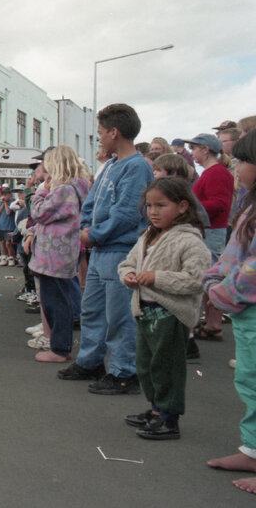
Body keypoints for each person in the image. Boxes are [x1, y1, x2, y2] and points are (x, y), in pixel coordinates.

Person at [58, 103, 154, 394]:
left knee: (119, 315)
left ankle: (125, 371)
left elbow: (126, 213)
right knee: (93, 310)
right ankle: (91, 361)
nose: (98, 137)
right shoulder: (111, 165)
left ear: (114, 132)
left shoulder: (136, 167)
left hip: (118, 251)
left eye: (100, 132)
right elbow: (91, 204)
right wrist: (86, 228)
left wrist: (93, 235)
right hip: (100, 250)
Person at [117, 177, 210, 440]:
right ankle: (157, 409)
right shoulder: (148, 236)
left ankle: (170, 418)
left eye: (161, 205)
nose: (153, 212)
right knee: (146, 364)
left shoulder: (190, 242)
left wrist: (157, 277)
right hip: (145, 312)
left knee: (166, 366)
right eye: (149, 206)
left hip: (171, 314)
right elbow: (128, 263)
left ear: (182, 207)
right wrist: (128, 275)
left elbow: (196, 279)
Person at [204, 131, 256, 492]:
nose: (235, 167)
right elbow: (233, 255)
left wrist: (220, 291)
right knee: (249, 382)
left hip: (246, 302)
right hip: (244, 310)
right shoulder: (250, 205)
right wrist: (215, 278)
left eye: (241, 160)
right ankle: (253, 448)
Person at [27, 146, 91, 363]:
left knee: (55, 302)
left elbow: (38, 212)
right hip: (60, 252)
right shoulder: (75, 188)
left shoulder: (63, 190)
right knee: (59, 300)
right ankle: (60, 346)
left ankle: (59, 348)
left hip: (53, 254)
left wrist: (41, 192)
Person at [185, 133, 235, 340]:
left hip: (212, 230)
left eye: (195, 148)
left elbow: (220, 204)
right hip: (210, 229)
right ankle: (211, 323)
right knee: (209, 277)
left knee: (211, 278)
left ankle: (214, 325)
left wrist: (190, 208)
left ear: (205, 150)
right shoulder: (212, 172)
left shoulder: (216, 173)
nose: (192, 153)